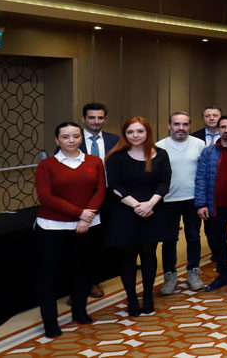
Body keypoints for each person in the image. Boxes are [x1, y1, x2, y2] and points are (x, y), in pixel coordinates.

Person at [34, 121, 105, 337]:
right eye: (65, 137)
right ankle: (50, 322)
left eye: (75, 136)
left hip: (87, 225)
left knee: (82, 270)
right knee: (49, 276)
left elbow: (100, 190)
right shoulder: (46, 166)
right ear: (57, 140)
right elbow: (46, 197)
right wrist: (79, 213)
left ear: (81, 138)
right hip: (52, 227)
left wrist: (87, 217)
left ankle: (80, 312)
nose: (71, 140)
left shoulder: (94, 161)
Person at [105, 117, 171, 317]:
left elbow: (165, 183)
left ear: (147, 132)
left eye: (140, 131)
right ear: (124, 134)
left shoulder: (160, 154)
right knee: (128, 257)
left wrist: (149, 204)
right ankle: (132, 298)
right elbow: (115, 186)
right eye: (130, 132)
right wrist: (137, 205)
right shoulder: (116, 157)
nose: (135, 135)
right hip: (126, 212)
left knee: (149, 255)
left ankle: (148, 296)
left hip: (153, 210)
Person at [156, 111, 205, 295]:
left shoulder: (199, 144)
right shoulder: (159, 146)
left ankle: (193, 273)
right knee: (169, 240)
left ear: (190, 126)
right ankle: (170, 277)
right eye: (176, 124)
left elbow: (204, 173)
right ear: (169, 126)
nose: (181, 128)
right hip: (167, 200)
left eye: (185, 124)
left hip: (193, 199)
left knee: (193, 237)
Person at [194, 119, 227, 291]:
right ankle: (223, 275)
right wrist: (201, 204)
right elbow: (200, 178)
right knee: (218, 243)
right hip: (215, 205)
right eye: (223, 127)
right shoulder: (208, 152)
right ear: (218, 130)